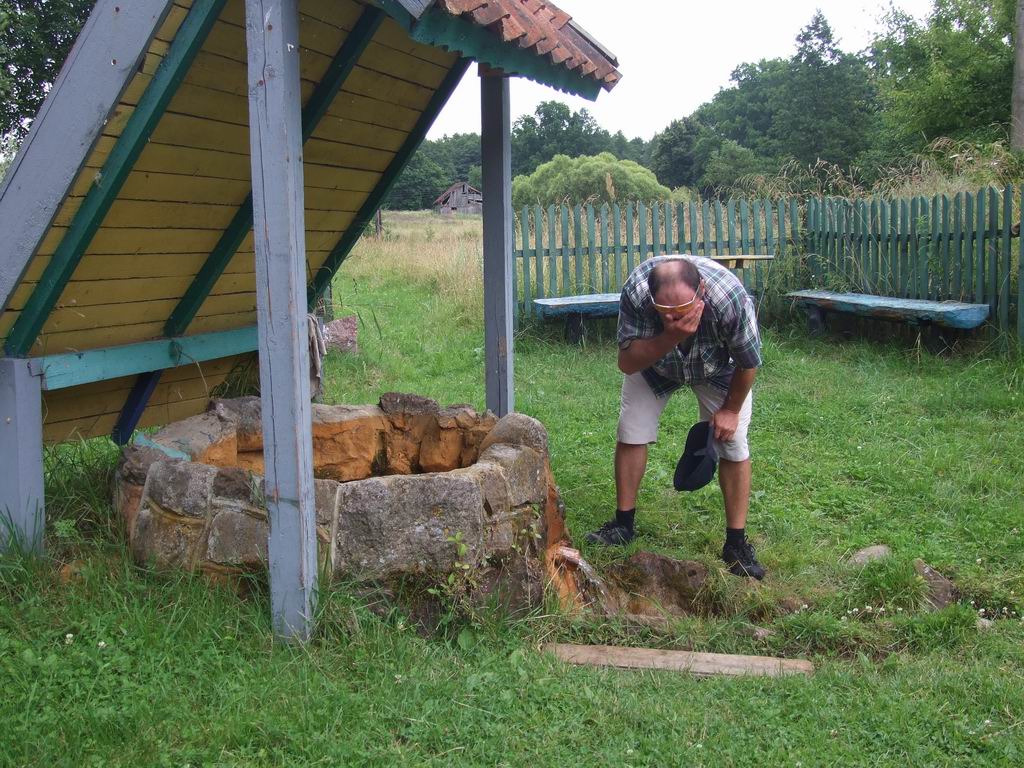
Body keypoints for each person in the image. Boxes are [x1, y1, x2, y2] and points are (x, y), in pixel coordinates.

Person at [585, 255, 766, 580]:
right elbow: (627, 363)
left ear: (702, 290)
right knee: (631, 430)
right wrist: (671, 335)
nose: (675, 316)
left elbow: (748, 362)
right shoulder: (637, 293)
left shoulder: (730, 299)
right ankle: (622, 525)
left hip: (717, 366)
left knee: (734, 444)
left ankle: (736, 544)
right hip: (656, 363)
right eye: (665, 311)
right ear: (652, 300)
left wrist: (730, 410)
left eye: (684, 308)